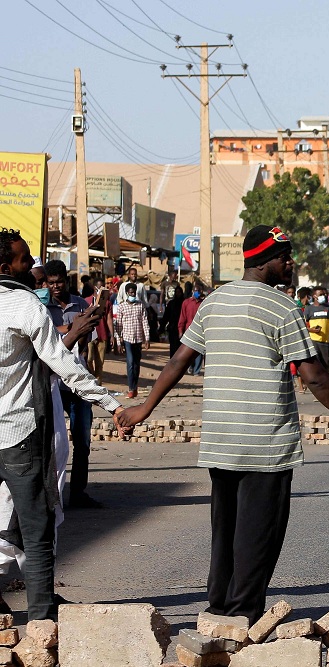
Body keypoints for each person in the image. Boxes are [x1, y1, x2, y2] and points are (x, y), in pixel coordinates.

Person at [116, 225, 329, 624]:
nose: (291, 263)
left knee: (227, 528)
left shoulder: (215, 301)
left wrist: (145, 407)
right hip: (265, 440)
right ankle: (244, 614)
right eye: (285, 256)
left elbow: (180, 358)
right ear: (265, 261)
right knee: (259, 532)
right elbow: (313, 374)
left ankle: (219, 607)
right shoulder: (281, 307)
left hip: (222, 438)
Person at [0, 228, 127, 619]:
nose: (32, 267)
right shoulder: (24, 305)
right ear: (7, 267)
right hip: (19, 434)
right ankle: (42, 621)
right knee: (36, 532)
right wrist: (112, 404)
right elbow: (64, 364)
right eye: (25, 260)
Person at [44, 260, 104, 509]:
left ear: (66, 281)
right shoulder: (42, 308)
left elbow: (87, 339)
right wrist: (70, 328)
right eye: (51, 283)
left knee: (82, 441)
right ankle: (50, 495)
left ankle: (78, 492)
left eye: (59, 282)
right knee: (52, 443)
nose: (56, 287)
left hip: (76, 382)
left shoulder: (81, 304)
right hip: (53, 384)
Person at [116, 283, 150, 399]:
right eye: (130, 293)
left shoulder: (140, 306)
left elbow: (145, 322)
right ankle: (130, 388)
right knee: (130, 363)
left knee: (136, 364)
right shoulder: (122, 306)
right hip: (127, 338)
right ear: (126, 293)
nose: (132, 294)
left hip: (138, 338)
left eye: (134, 293)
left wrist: (147, 338)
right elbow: (118, 325)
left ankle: (135, 387)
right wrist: (118, 341)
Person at [304, 289, 329, 372]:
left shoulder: (328, 308)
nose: (324, 296)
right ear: (315, 296)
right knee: (315, 364)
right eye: (321, 294)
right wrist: (311, 329)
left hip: (325, 342)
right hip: (313, 341)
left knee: (325, 364)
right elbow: (303, 326)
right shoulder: (308, 309)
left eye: (324, 294)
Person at [179, 285, 207, 376]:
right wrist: (180, 330)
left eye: (199, 291)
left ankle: (196, 371)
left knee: (199, 353)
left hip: (200, 332)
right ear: (192, 291)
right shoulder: (186, 303)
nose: (198, 293)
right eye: (196, 291)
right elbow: (182, 318)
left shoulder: (203, 303)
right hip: (189, 331)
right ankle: (190, 367)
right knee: (189, 353)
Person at [162, 283, 185, 358]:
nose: (178, 294)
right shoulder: (171, 304)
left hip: (183, 330)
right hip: (173, 329)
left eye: (179, 292)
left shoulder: (184, 303)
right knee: (173, 349)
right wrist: (161, 328)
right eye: (176, 292)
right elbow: (166, 316)